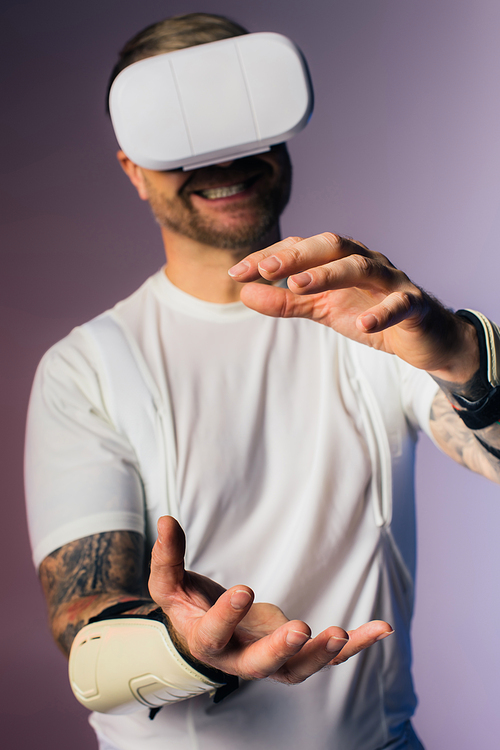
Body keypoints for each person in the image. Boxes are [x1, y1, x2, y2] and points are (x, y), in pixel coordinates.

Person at [24, 12, 500, 750]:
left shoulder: (370, 318)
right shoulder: (87, 366)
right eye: (179, 138)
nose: (219, 162)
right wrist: (187, 645)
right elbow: (80, 621)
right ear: (133, 170)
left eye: (238, 125)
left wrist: (461, 355)